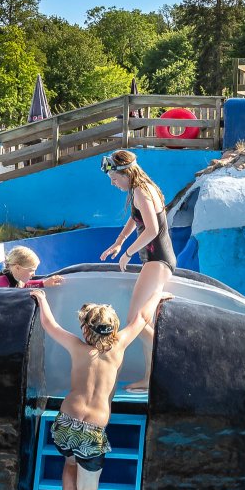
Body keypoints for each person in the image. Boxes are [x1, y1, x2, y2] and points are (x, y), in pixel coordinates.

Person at [30, 289, 172, 490]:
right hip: (92, 432)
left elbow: (50, 325)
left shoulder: (76, 346)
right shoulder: (119, 346)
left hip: (65, 423)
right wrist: (156, 295)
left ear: (86, 330)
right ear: (114, 329)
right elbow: (143, 316)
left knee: (69, 464)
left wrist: (41, 298)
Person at [99, 150, 175, 392]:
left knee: (136, 321)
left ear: (125, 173)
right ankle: (150, 377)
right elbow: (136, 219)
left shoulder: (141, 191)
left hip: (157, 260)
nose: (112, 184)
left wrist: (128, 252)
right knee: (143, 321)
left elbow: (151, 230)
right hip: (157, 261)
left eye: (114, 179)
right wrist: (119, 241)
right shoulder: (140, 188)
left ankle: (164, 365)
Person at [0, 245, 65, 288]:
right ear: (17, 268)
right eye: (31, 270)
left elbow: (25, 285)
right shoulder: (1, 282)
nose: (34, 274)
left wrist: (44, 283)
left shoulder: (17, 278)